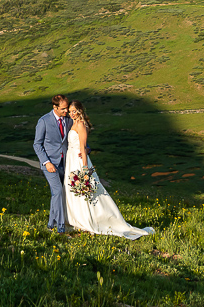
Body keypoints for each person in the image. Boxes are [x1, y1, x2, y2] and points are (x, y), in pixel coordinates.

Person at [63, 101, 153, 239]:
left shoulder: (81, 125)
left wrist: (85, 168)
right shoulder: (72, 123)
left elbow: (83, 147)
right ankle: (75, 219)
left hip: (78, 160)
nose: (71, 114)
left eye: (74, 111)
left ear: (80, 111)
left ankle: (93, 219)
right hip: (70, 159)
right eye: (70, 111)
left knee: (87, 190)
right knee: (72, 189)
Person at [32, 94, 73, 233]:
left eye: (67, 108)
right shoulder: (43, 121)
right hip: (50, 164)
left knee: (57, 194)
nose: (66, 111)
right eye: (63, 109)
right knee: (57, 192)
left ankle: (51, 225)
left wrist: (85, 148)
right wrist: (46, 162)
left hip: (66, 162)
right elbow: (37, 145)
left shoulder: (68, 120)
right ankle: (60, 228)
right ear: (54, 107)